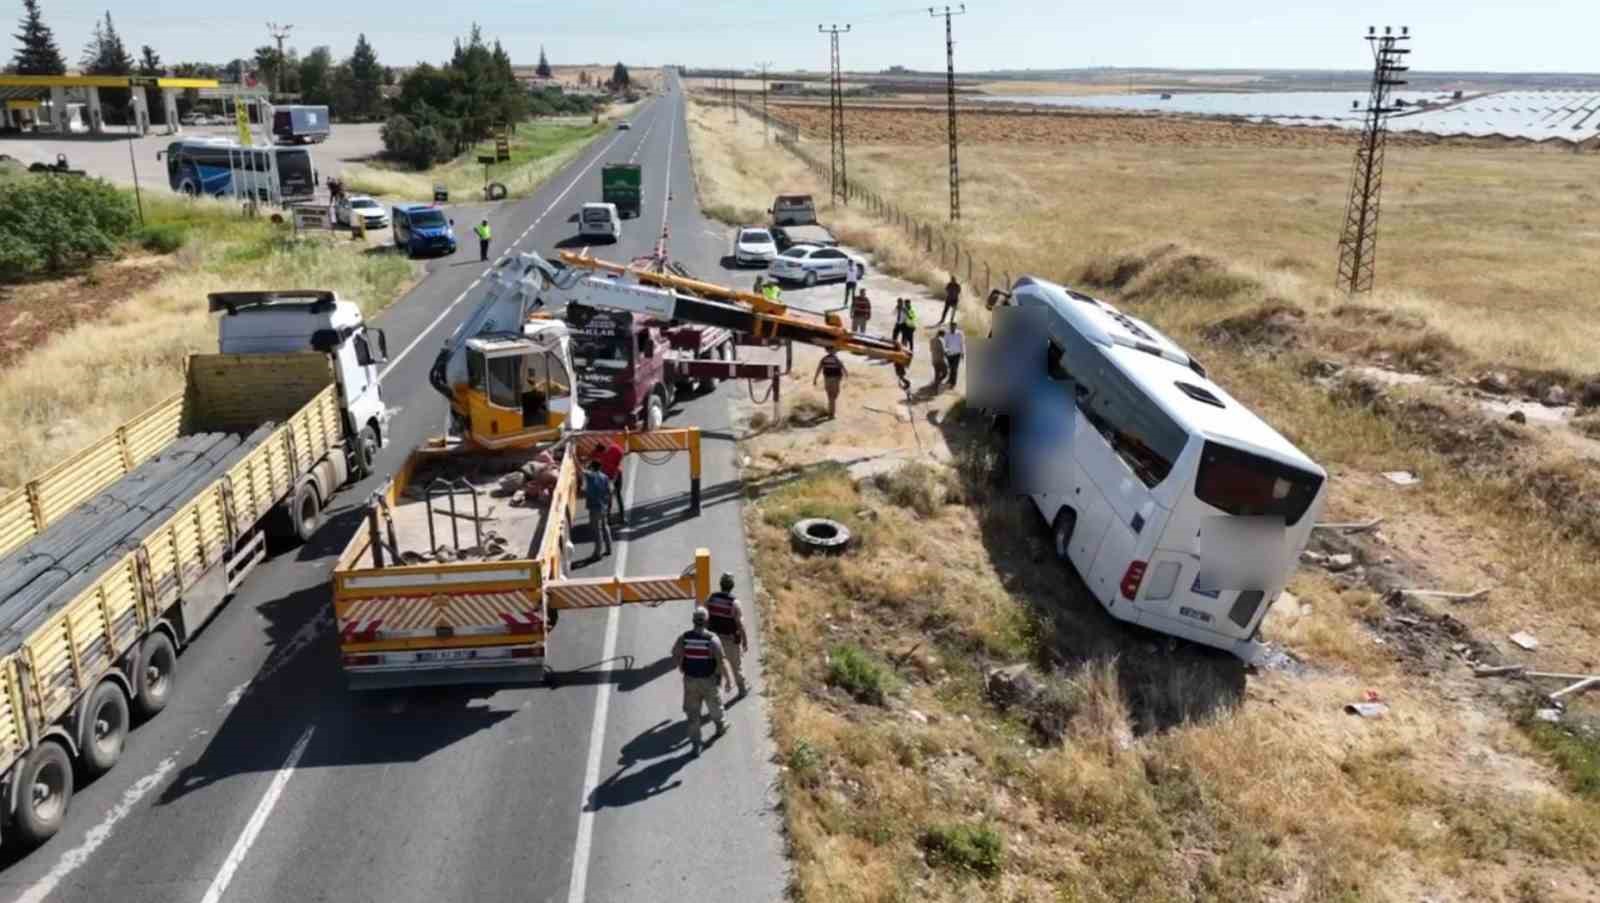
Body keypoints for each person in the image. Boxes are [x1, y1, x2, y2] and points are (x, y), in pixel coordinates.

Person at [672, 607, 731, 755]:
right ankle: (720, 726)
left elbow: (675, 653)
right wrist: (728, 679)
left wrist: (681, 666)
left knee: (693, 714)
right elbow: (721, 661)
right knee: (715, 706)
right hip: (708, 681)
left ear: (693, 621)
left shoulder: (684, 638)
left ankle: (696, 745)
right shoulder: (712, 639)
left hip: (690, 681)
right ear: (707, 621)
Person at [704, 572, 749, 697]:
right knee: (736, 667)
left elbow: (706, 620)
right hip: (730, 641)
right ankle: (742, 690)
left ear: (720, 584)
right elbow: (740, 624)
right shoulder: (734, 603)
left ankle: (716, 695)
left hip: (714, 641)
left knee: (717, 669)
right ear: (732, 586)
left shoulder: (710, 599)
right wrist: (745, 640)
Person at [582, 459, 613, 560]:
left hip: (594, 507)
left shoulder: (591, 476)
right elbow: (609, 491)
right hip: (603, 506)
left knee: (597, 531)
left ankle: (597, 553)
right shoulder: (605, 477)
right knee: (605, 527)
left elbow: (580, 470)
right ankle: (609, 549)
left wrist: (573, 456)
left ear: (592, 468)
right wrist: (608, 504)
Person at [593, 436, 626, 523]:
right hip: (607, 477)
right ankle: (608, 519)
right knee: (608, 497)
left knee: (618, 494)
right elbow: (592, 457)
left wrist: (614, 475)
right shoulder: (598, 451)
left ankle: (622, 517)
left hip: (616, 475)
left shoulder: (614, 449)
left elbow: (621, 455)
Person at [813, 349, 847, 418]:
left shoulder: (824, 359)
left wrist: (815, 379)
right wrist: (846, 375)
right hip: (835, 379)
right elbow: (843, 369)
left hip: (827, 379)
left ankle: (830, 411)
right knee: (833, 396)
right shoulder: (837, 359)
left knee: (830, 397)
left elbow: (818, 369)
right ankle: (831, 414)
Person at [944, 324, 965, 389]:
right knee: (950, 368)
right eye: (951, 327)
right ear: (950, 327)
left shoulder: (959, 334)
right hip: (949, 354)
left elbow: (962, 343)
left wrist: (962, 353)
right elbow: (945, 343)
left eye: (954, 327)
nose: (952, 328)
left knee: (955, 369)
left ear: (956, 327)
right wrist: (945, 352)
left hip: (957, 354)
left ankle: (953, 383)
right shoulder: (947, 334)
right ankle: (950, 379)